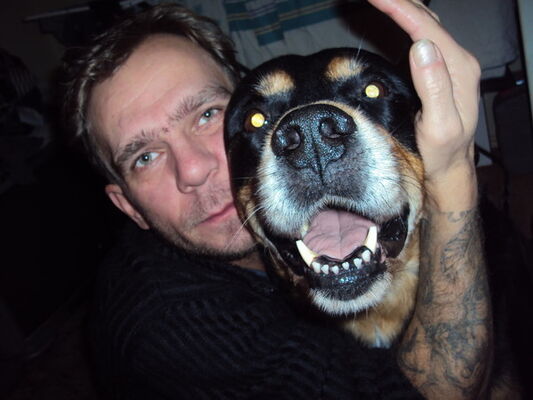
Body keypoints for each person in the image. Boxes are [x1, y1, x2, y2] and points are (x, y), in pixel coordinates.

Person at [62, 0, 490, 398]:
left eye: (207, 114)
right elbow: (436, 390)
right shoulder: (172, 327)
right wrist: (454, 169)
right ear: (129, 207)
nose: (193, 170)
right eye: (145, 157)